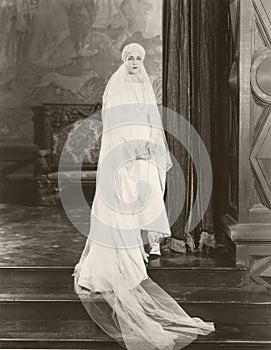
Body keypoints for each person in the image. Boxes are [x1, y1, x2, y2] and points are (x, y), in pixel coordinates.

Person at [73, 42, 215, 350]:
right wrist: (131, 150)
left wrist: (151, 146)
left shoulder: (144, 86)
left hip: (144, 155)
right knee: (121, 204)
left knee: (147, 192)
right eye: (131, 58)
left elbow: (152, 123)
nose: (135, 62)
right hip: (122, 157)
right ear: (124, 61)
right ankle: (116, 256)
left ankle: (144, 245)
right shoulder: (116, 86)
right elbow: (114, 127)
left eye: (139, 58)